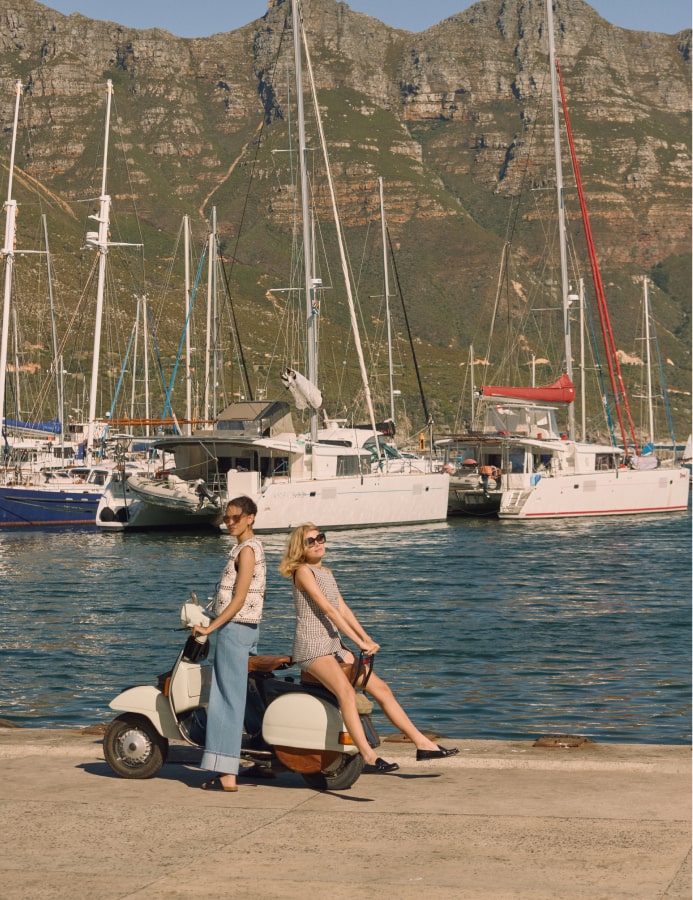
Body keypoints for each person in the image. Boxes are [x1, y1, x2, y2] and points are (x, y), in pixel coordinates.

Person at [278, 524, 458, 772]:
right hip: (313, 647)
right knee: (347, 693)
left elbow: (342, 609)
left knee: (381, 688)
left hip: (335, 645)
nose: (318, 543)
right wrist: (359, 643)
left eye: (320, 538)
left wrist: (365, 636)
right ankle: (368, 756)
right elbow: (328, 610)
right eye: (311, 541)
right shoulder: (302, 572)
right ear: (301, 547)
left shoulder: (327, 572)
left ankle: (423, 744)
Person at [191, 496, 265, 792]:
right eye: (227, 518)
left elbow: (239, 599)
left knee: (225, 698)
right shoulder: (249, 547)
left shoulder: (247, 550)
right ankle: (261, 759)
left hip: (235, 629)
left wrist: (211, 627)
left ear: (251, 517)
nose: (231, 522)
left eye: (236, 517)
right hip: (248, 629)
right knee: (247, 697)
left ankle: (226, 771)